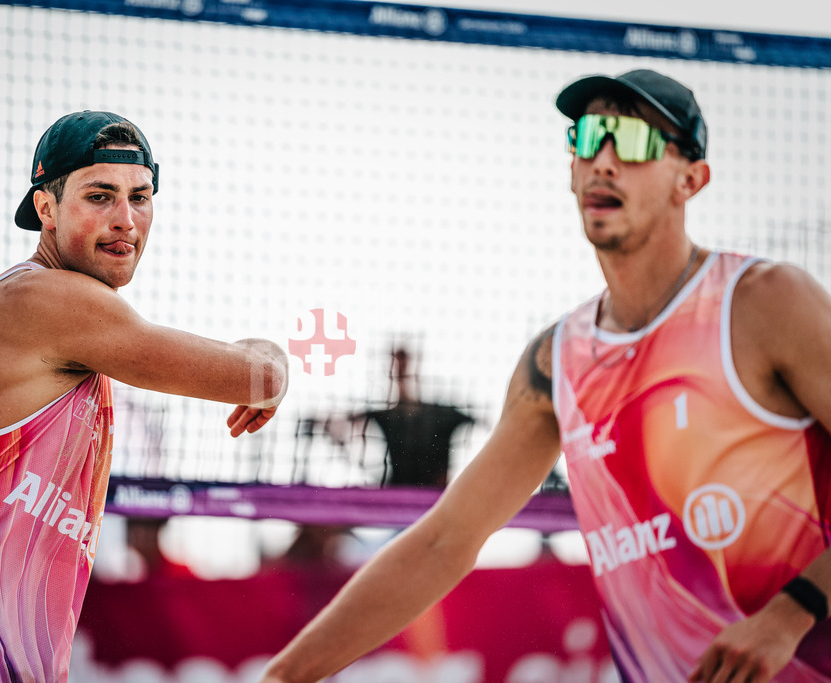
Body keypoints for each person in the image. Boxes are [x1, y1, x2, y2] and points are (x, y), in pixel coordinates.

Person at [260, 70, 831, 682]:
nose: (603, 161)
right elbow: (442, 543)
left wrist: (790, 614)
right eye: (587, 137)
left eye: (632, 140)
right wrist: (281, 677)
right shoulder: (555, 360)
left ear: (690, 179)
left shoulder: (763, 302)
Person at [0, 110, 288, 682]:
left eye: (140, 197)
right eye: (100, 196)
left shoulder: (73, 319)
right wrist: (272, 354)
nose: (126, 220)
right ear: (46, 209)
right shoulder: (46, 300)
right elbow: (256, 377)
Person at [355, 347, 474, 488]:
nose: (400, 369)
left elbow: (483, 426)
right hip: (400, 489)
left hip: (435, 492)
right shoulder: (384, 416)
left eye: (404, 364)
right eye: (397, 365)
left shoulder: (444, 414)